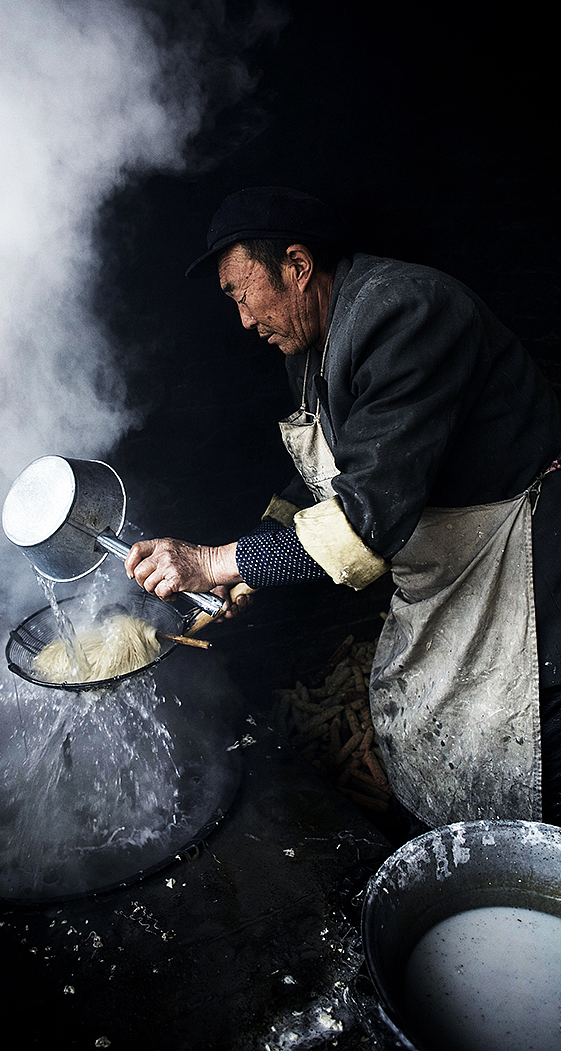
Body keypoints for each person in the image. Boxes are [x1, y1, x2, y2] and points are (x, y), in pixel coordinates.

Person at [124, 186, 561, 830]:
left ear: (297, 268)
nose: (243, 320)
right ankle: (447, 840)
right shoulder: (307, 349)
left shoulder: (406, 313)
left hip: (517, 548)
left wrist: (216, 560)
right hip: (439, 565)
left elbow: (367, 517)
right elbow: (323, 480)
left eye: (242, 293)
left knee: (531, 724)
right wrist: (252, 564)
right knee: (424, 716)